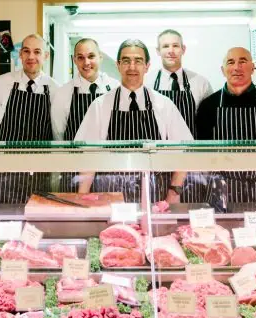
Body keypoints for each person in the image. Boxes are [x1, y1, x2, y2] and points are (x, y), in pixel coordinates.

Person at [74, 39, 193, 203]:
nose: (132, 67)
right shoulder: (100, 105)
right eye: (126, 61)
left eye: (138, 61)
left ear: (147, 66)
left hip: (155, 197)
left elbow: (185, 151)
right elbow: (87, 158)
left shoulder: (163, 104)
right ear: (118, 65)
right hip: (111, 198)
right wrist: (82, 200)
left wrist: (173, 193)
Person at [195, 47, 256, 203]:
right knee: (220, 228)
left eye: (243, 61)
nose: (237, 67)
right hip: (221, 184)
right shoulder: (208, 105)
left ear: (252, 68)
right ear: (223, 70)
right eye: (231, 62)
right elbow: (204, 150)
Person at [0, 34, 60, 204]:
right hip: (5, 170)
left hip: (41, 171)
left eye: (37, 52)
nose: (31, 57)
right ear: (20, 54)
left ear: (46, 56)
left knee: (38, 219)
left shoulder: (56, 89)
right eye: (26, 51)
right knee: (6, 215)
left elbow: (58, 132)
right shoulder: (1, 82)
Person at [150, 29, 213, 203]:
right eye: (165, 46)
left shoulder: (201, 83)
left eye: (175, 45)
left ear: (183, 49)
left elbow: (208, 128)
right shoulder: (147, 82)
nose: (171, 50)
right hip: (158, 165)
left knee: (191, 218)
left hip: (190, 165)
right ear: (158, 51)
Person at [51, 38, 119, 192]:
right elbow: (59, 134)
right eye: (80, 57)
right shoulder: (63, 93)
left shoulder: (116, 89)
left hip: (109, 172)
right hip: (74, 173)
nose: (86, 62)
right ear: (74, 60)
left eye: (91, 56)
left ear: (100, 57)